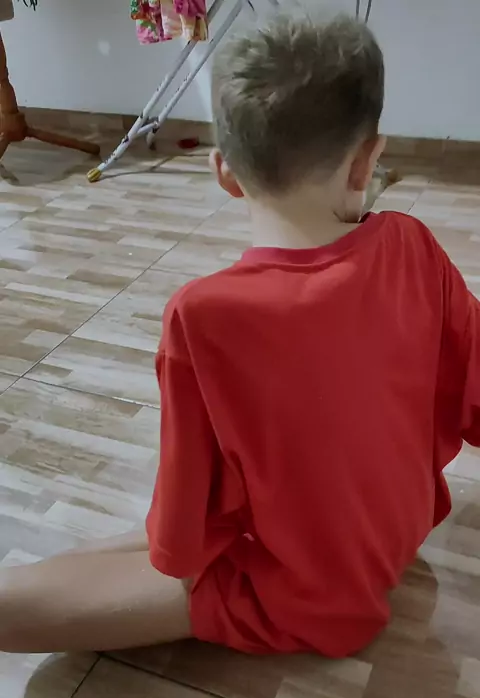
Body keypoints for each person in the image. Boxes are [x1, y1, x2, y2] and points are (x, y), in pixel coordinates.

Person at [1, 14, 479, 655]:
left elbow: (185, 524)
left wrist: (176, 556)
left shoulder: (204, 315)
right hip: (397, 530)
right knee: (105, 554)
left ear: (224, 173)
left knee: (13, 607)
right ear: (368, 161)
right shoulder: (412, 243)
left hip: (313, 592)